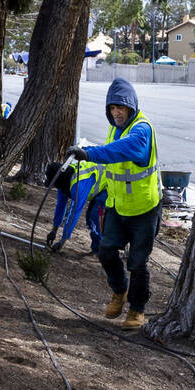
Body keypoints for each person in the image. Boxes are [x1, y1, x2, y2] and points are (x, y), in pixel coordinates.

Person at [70, 79, 162, 330]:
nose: (116, 112)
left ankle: (136, 309)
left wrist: (91, 152)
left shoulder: (141, 130)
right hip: (118, 207)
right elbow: (109, 165)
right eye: (112, 108)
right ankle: (119, 291)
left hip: (144, 210)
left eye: (121, 107)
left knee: (138, 263)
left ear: (131, 106)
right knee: (106, 250)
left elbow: (120, 151)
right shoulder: (115, 128)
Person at [43, 160, 106, 254]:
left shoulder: (78, 186)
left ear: (58, 181)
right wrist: (54, 230)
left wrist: (62, 241)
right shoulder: (62, 181)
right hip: (90, 183)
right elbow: (60, 206)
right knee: (90, 219)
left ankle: (101, 250)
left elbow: (74, 213)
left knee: (96, 215)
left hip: (106, 184)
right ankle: (97, 249)